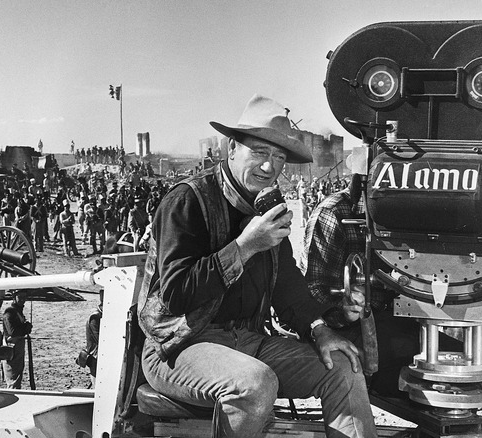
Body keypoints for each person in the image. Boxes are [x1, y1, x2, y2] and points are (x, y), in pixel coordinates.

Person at [138, 95, 374, 438]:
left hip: (248, 340)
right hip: (178, 347)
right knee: (254, 383)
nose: (269, 167)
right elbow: (176, 294)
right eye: (260, 153)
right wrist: (246, 246)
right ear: (232, 148)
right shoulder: (188, 200)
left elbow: (288, 286)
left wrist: (322, 329)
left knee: (344, 366)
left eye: (279, 157)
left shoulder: (266, 208)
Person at [300, 173, 426, 397]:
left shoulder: (414, 208)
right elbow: (312, 293)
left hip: (399, 319)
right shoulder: (334, 212)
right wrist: (344, 310)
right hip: (350, 326)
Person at [2, 290, 33, 389]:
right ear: (14, 297)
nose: (23, 299)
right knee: (13, 377)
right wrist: (25, 328)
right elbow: (13, 332)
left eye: (24, 297)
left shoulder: (17, 312)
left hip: (18, 347)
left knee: (17, 375)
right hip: (12, 348)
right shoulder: (10, 313)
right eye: (20, 297)